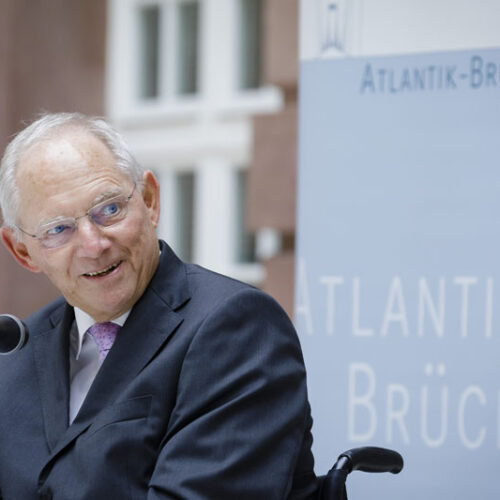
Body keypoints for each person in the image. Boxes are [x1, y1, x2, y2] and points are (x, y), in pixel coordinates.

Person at [0, 113, 318, 499]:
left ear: (149, 201)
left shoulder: (237, 329)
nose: (93, 244)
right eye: (58, 229)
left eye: (110, 209)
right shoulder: (14, 353)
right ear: (22, 251)